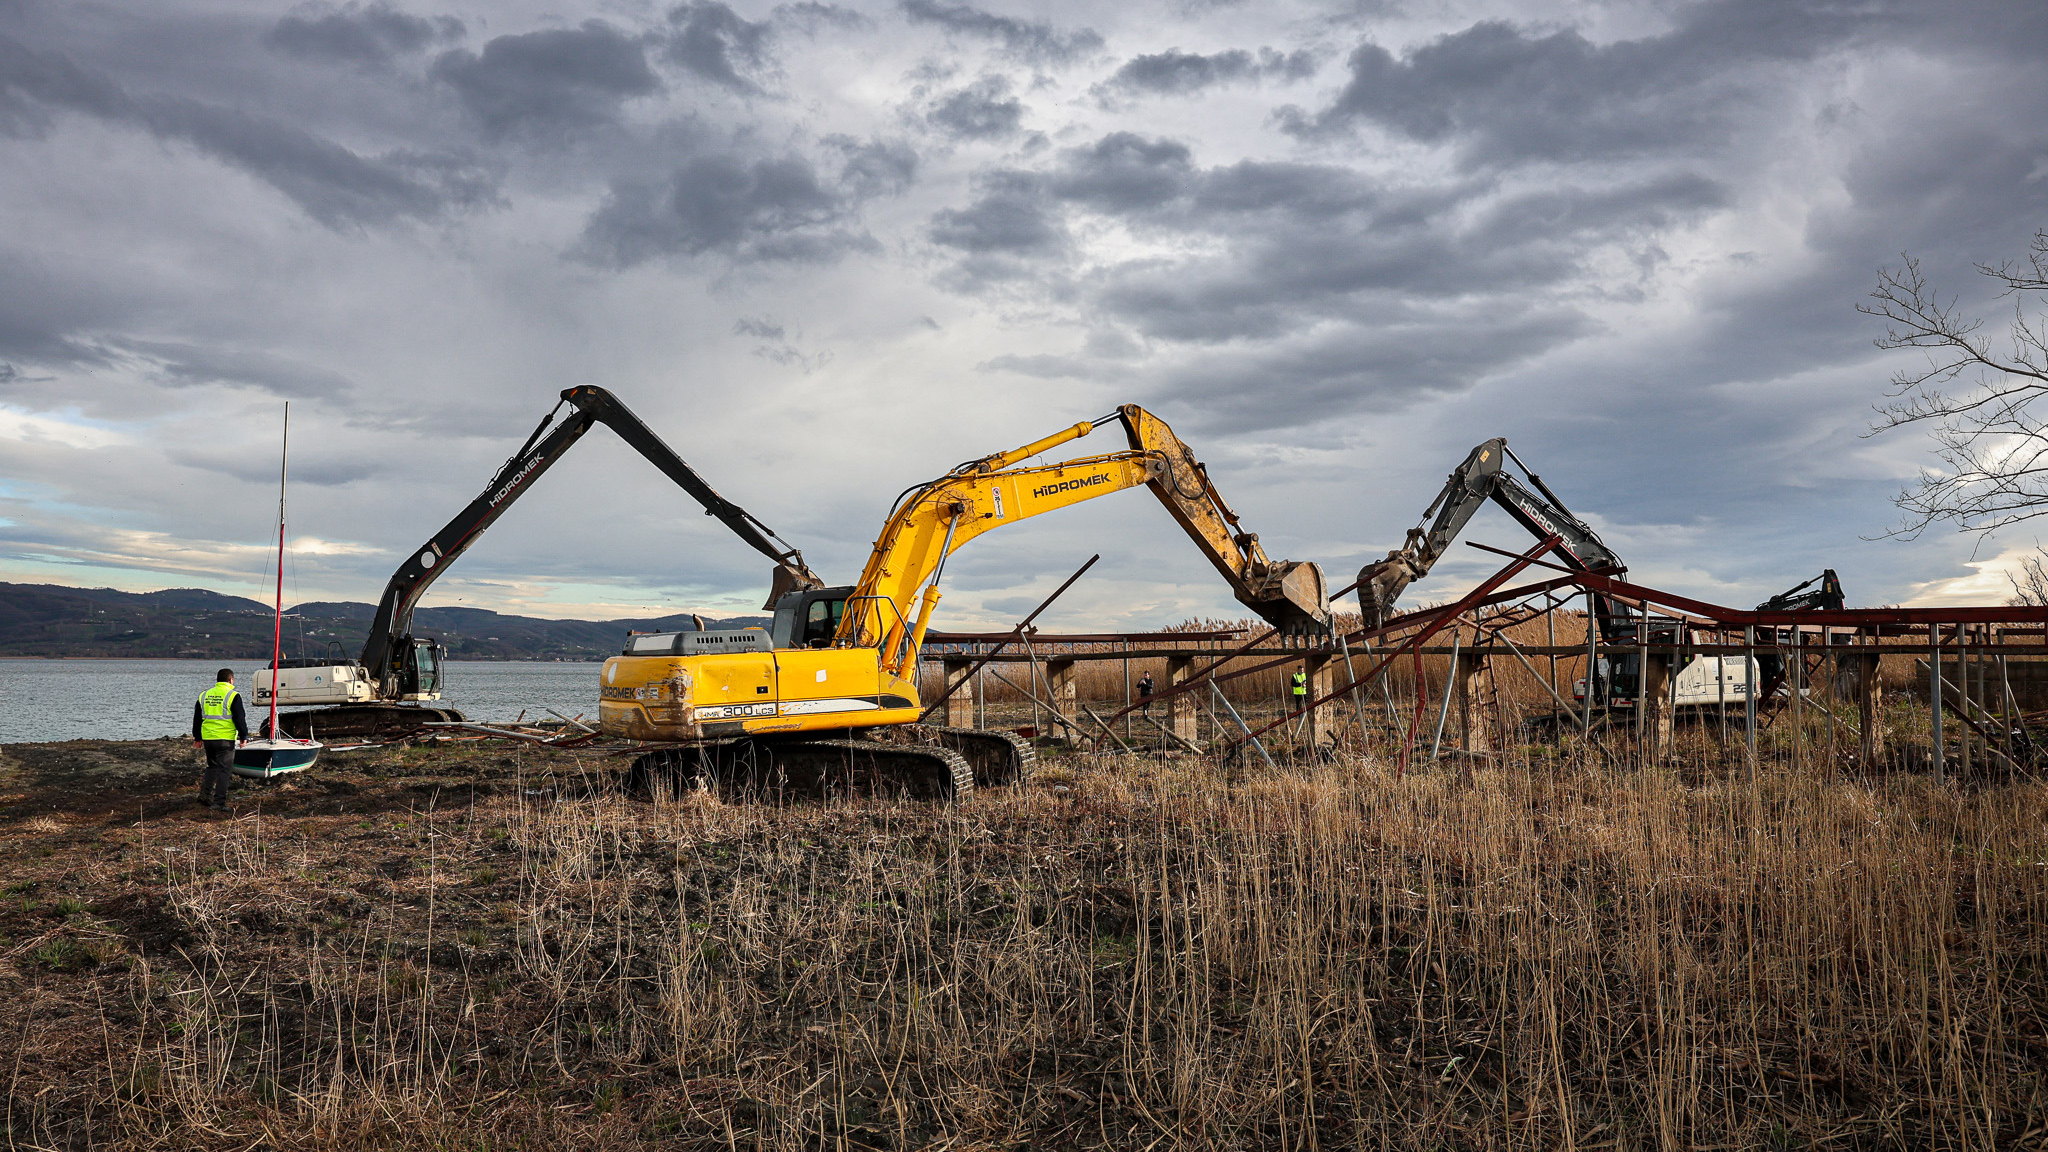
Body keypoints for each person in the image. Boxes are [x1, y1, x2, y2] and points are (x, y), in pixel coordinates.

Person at [191, 668, 248, 811]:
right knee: (224, 770)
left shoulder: (204, 695)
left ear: (217, 680)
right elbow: (239, 718)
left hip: (208, 738)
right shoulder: (233, 695)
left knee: (212, 767)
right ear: (231, 680)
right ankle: (219, 803)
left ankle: (205, 796)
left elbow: (197, 718)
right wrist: (243, 736)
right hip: (225, 739)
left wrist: (197, 737)